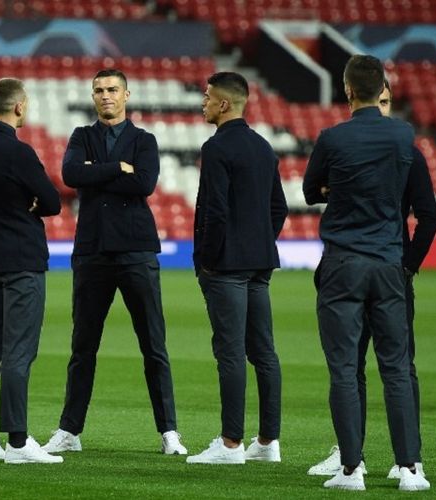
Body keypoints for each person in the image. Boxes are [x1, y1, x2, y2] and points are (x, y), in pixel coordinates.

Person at [42, 69, 186, 456]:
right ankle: (69, 430)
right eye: (99, 90)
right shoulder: (80, 136)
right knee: (82, 346)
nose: (105, 96)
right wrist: (117, 169)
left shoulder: (144, 140)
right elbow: (71, 175)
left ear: (127, 94)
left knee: (153, 345)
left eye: (112, 90)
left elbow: (144, 184)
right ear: (93, 96)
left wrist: (97, 174)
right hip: (92, 252)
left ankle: (169, 431)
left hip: (137, 250)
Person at [303, 55, 430, 492]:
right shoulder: (403, 136)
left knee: (344, 370)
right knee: (396, 368)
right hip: (390, 264)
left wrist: (332, 188)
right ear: (382, 91)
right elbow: (414, 202)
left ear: (347, 90)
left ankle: (352, 470)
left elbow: (308, 190)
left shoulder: (332, 138)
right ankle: (410, 469)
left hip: (343, 265)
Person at [185, 72, 288, 465]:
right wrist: (259, 241)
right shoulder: (264, 147)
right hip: (260, 265)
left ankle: (230, 444)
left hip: (225, 267)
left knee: (229, 352)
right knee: (264, 352)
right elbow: (277, 208)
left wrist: (207, 260)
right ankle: (267, 441)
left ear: (225, 104)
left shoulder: (216, 148)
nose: (203, 102)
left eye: (208, 97)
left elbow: (214, 211)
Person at [0, 78, 63, 464]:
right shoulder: (19, 152)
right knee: (19, 352)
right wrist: (33, 205)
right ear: (19, 106)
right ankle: (19, 442)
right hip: (22, 259)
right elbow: (53, 201)